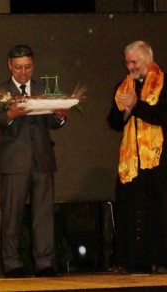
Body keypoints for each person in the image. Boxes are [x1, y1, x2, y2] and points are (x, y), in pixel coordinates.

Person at [0, 44, 68, 278]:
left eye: (28, 67)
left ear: (33, 65)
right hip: (13, 162)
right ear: (10, 65)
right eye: (19, 67)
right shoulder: (0, 90)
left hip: (42, 159)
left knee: (43, 215)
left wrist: (60, 116)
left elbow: (53, 124)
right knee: (12, 215)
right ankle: (12, 264)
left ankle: (45, 263)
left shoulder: (44, 88)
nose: (24, 72)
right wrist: (11, 114)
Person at [107, 40, 167, 274]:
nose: (130, 67)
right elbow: (113, 122)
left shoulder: (165, 83)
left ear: (148, 60)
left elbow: (162, 116)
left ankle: (161, 258)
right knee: (132, 209)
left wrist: (137, 105)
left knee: (160, 209)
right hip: (132, 161)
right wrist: (127, 111)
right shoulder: (123, 87)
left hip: (159, 159)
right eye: (127, 62)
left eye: (134, 62)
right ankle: (135, 260)